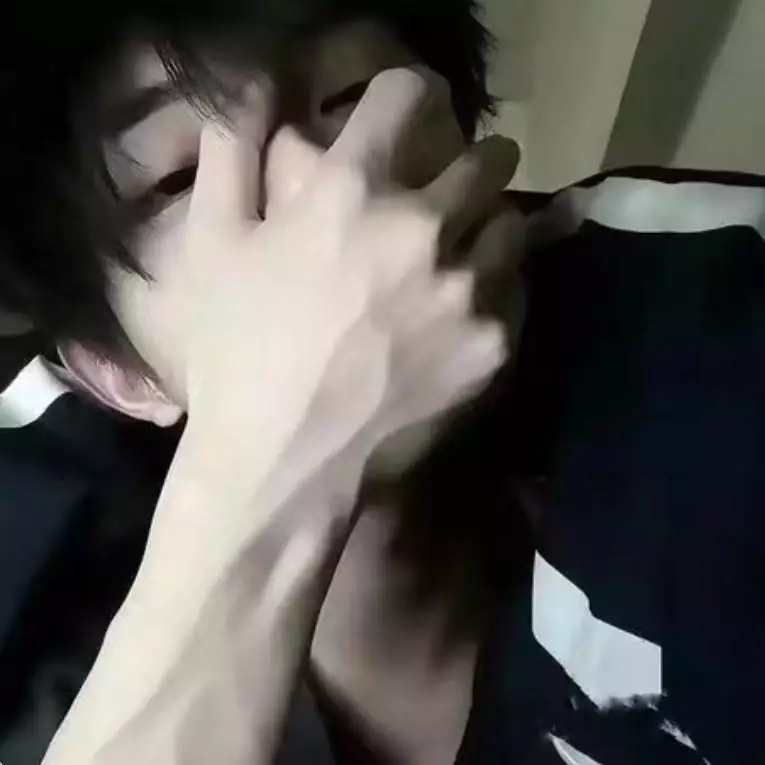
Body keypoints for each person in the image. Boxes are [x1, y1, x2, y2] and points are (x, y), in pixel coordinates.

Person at [0, 2, 763, 764]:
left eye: (348, 95)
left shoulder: (708, 296)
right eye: (178, 178)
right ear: (118, 374)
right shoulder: (31, 564)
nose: (323, 191)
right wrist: (273, 473)